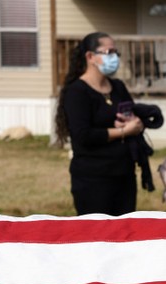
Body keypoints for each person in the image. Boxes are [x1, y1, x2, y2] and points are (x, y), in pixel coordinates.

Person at [55, 32, 144, 215]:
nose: (114, 58)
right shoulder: (77, 92)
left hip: (124, 174)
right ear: (90, 56)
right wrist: (122, 132)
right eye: (108, 52)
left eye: (115, 53)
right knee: (97, 237)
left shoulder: (118, 86)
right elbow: (83, 135)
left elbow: (133, 116)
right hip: (93, 178)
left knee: (125, 235)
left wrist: (136, 123)